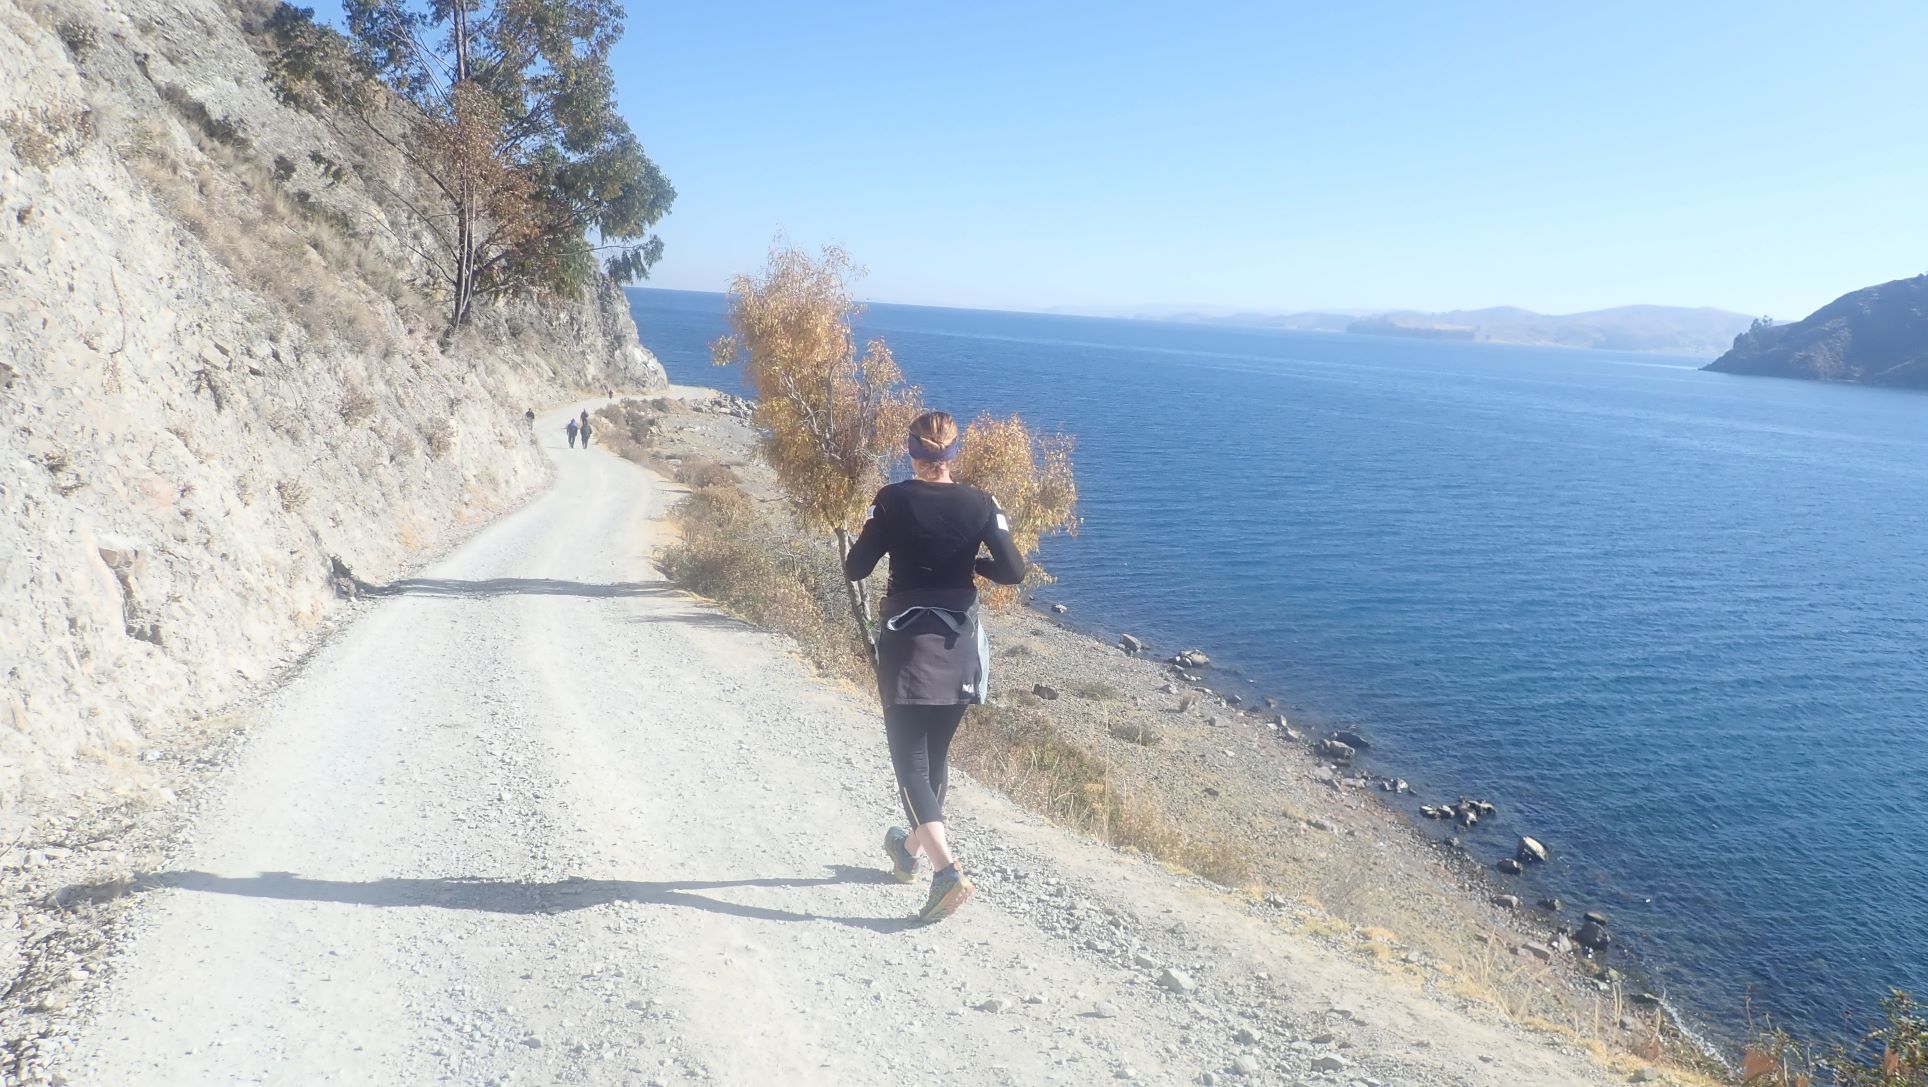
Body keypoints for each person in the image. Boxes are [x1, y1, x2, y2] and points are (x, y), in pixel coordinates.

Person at [842, 410, 1025, 922]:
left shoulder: (892, 499)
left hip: (907, 643)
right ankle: (909, 852)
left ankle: (947, 872)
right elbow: (1013, 571)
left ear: (912, 452)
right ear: (953, 453)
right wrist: (970, 564)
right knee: (934, 762)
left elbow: (856, 566)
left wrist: (888, 535)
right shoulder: (983, 503)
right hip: (959, 645)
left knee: (910, 766)